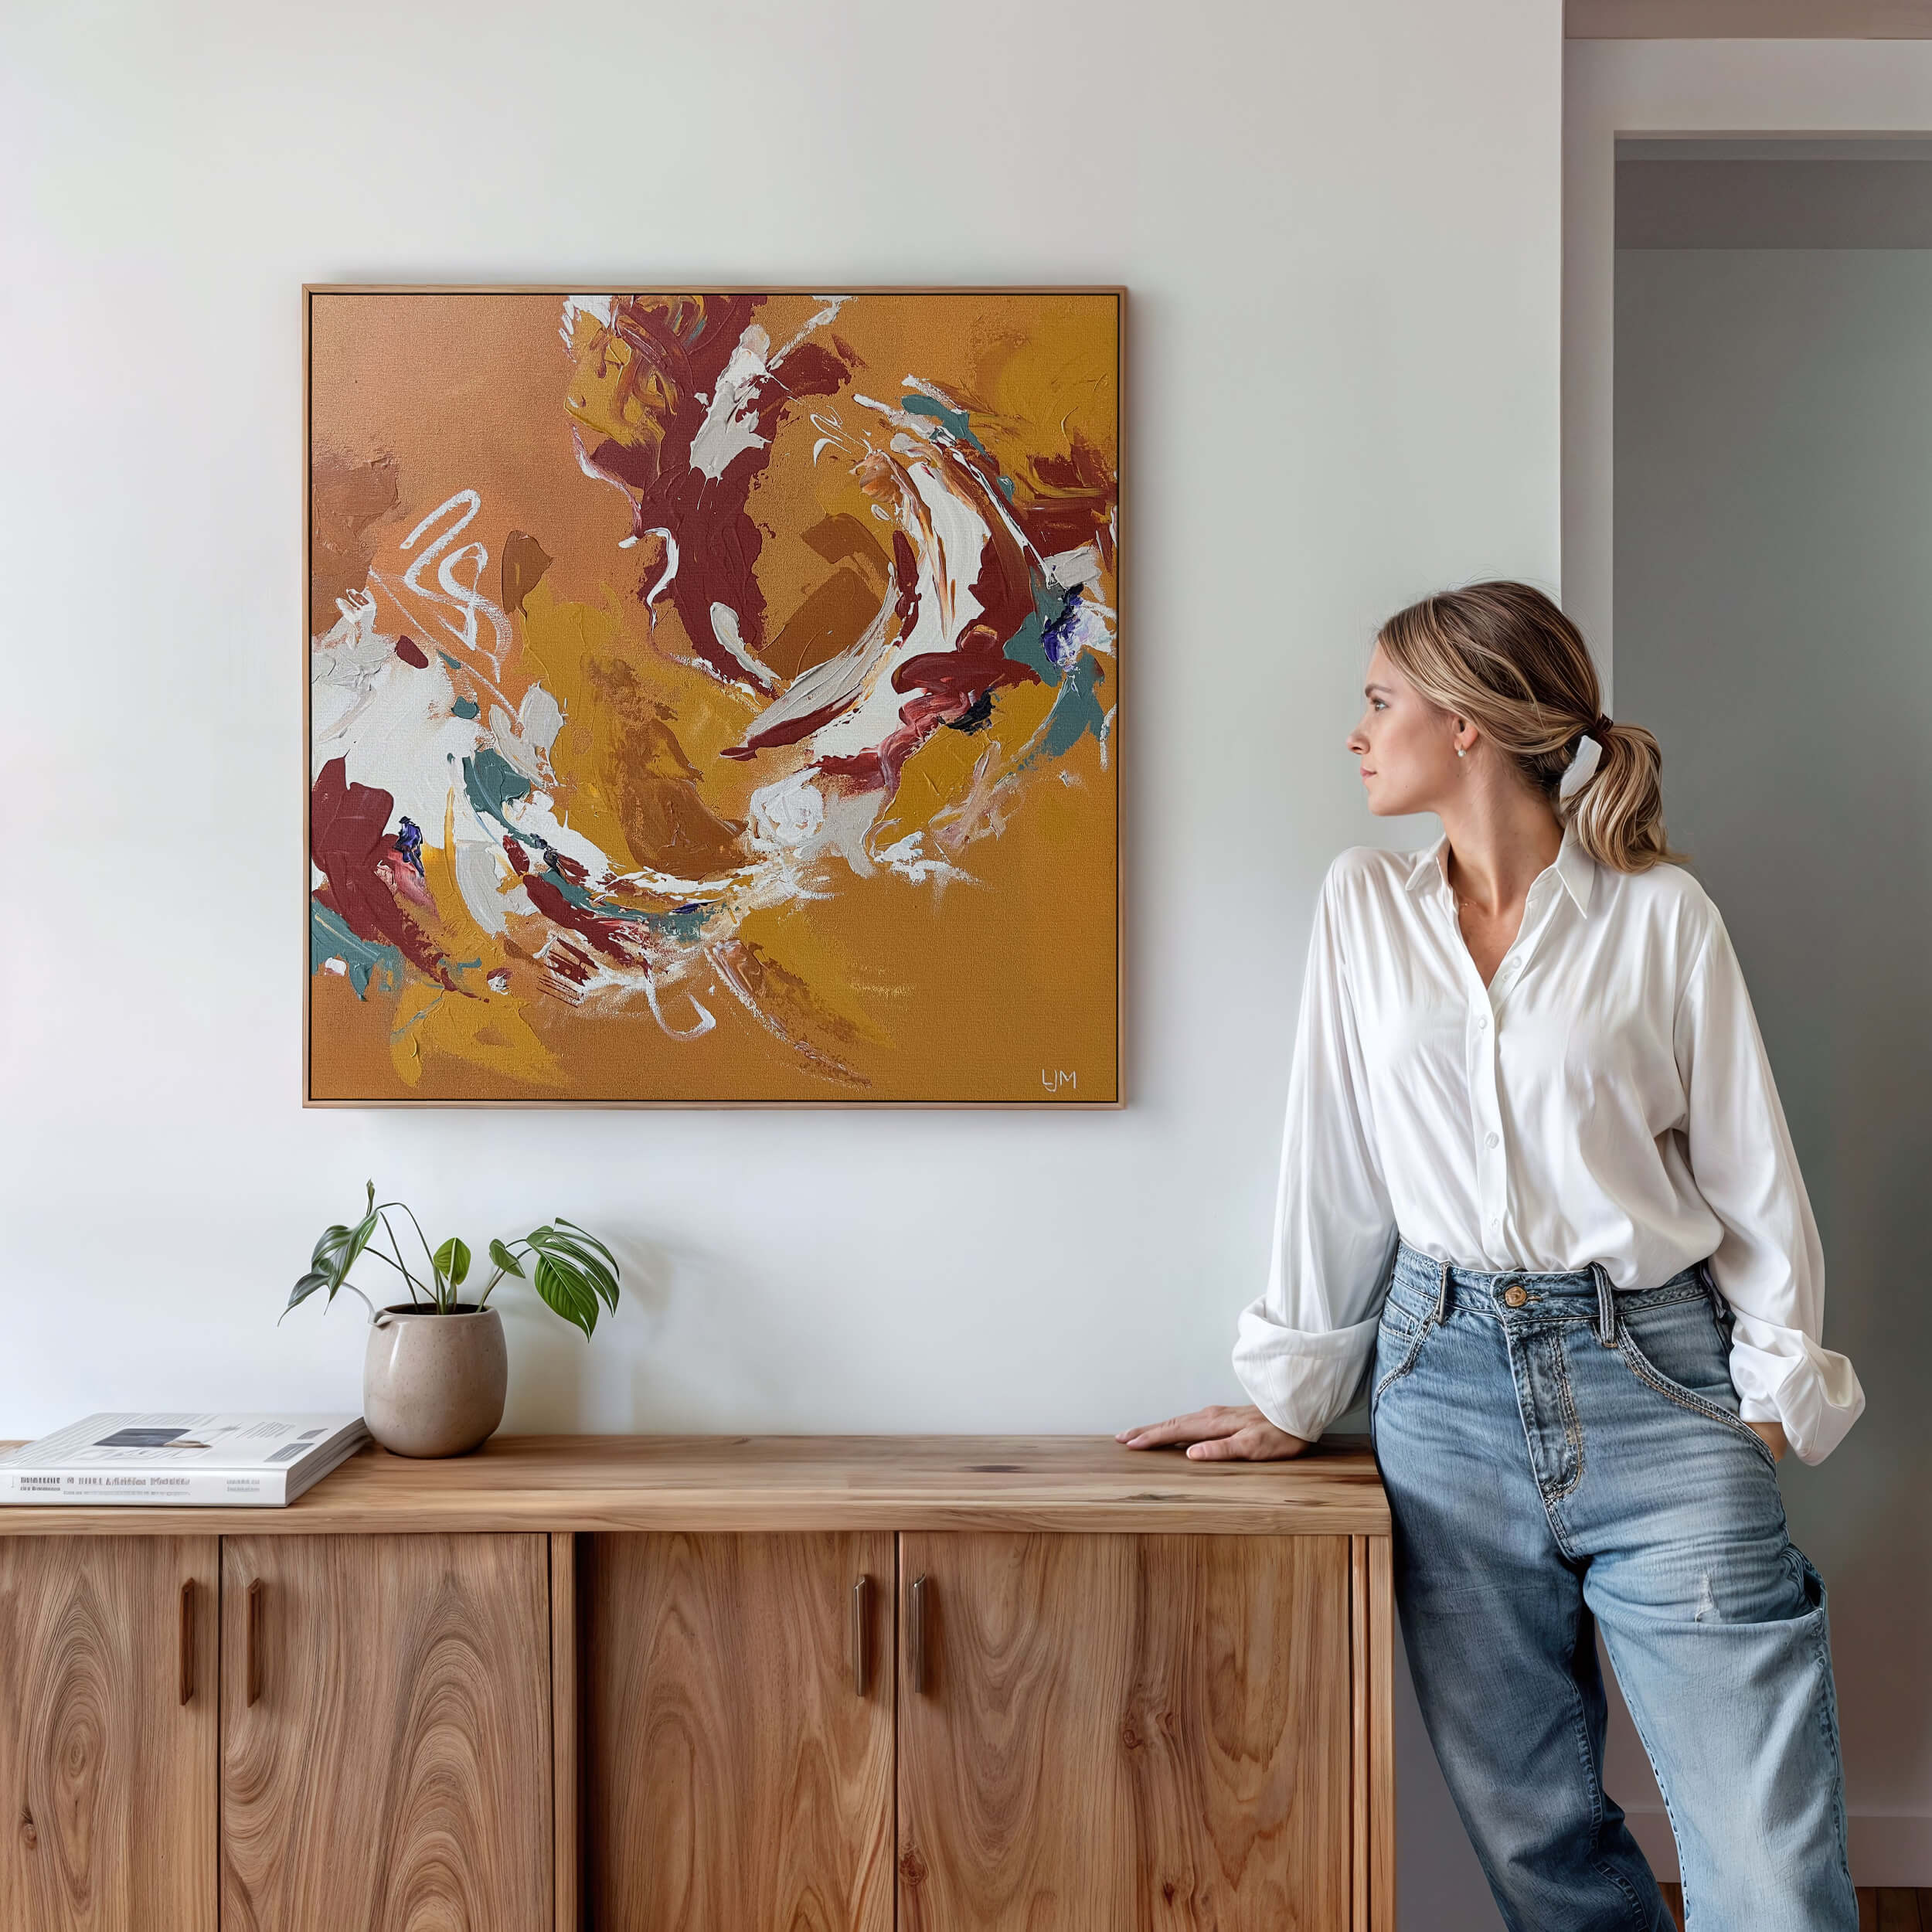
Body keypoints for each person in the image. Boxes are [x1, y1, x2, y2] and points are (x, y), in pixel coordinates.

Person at [1118, 581, 1865, 1931]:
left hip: (1659, 1377)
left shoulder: (1660, 917)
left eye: (1378, 701)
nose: (1357, 733)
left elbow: (1754, 1173)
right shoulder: (1363, 909)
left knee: (1768, 1867)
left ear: (1466, 726)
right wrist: (1297, 1390)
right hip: (1440, 1390)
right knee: (1539, 1849)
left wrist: (1767, 1396)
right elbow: (1332, 1162)